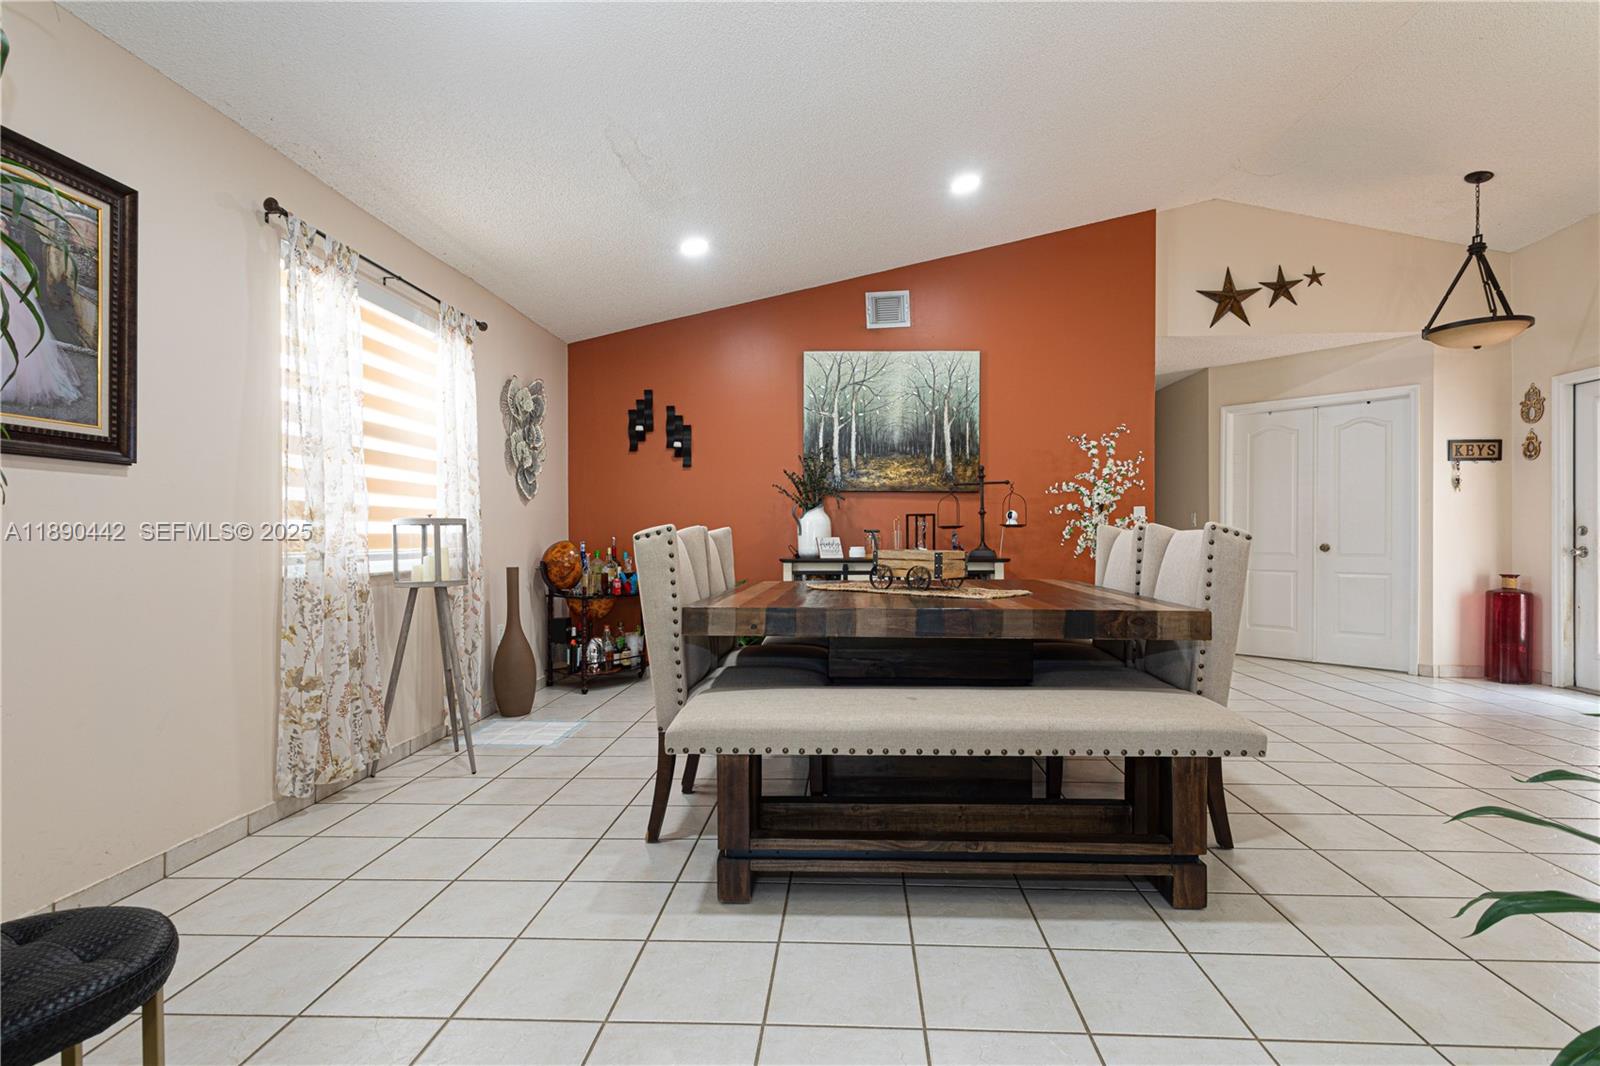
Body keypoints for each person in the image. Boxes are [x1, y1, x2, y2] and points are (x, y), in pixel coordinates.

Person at [1, 247, 82, 408]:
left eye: (4, 225)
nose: (3, 229)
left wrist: (22, 287)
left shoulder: (13, 249)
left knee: (21, 337)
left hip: (12, 294)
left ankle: (23, 381)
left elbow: (24, 271)